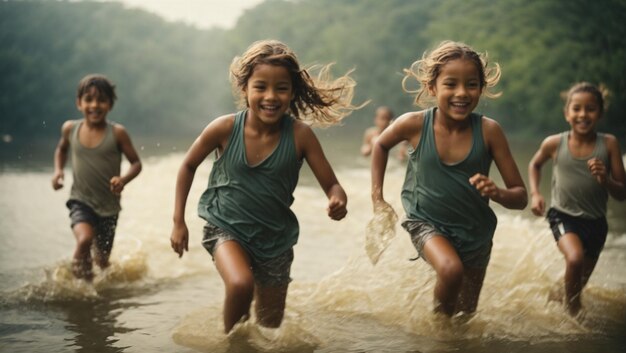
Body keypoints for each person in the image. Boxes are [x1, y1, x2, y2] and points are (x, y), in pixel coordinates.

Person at [170, 39, 362, 333]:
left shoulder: (301, 136)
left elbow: (333, 185)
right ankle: (232, 344)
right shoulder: (224, 128)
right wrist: (178, 221)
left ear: (292, 92)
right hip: (225, 227)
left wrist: (339, 201)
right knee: (240, 284)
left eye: (281, 88)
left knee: (270, 327)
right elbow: (187, 165)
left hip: (275, 242)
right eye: (260, 87)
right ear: (244, 89)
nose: (270, 96)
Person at [370, 41, 527, 316]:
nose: (462, 93)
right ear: (432, 88)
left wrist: (497, 192)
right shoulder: (415, 124)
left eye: (471, 85)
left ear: (481, 88)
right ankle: (437, 335)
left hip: (476, 233)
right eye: (451, 84)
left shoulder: (490, 132)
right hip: (426, 223)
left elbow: (520, 196)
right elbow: (380, 145)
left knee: (466, 316)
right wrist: (377, 199)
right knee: (451, 270)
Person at [528, 82, 626, 315]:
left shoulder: (609, 144)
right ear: (567, 113)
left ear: (600, 113)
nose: (583, 114)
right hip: (563, 215)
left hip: (596, 223)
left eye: (590, 109)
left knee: (578, 282)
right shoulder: (554, 143)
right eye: (577, 108)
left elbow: (622, 193)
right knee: (574, 259)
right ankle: (572, 317)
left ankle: (556, 296)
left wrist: (606, 180)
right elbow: (534, 164)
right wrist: (536, 193)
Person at [52, 74, 142, 281]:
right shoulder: (70, 129)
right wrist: (58, 171)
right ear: (79, 103)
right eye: (89, 100)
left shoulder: (118, 133)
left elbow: (136, 163)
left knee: (102, 262)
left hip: (109, 207)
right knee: (84, 239)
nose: (95, 105)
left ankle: (94, 293)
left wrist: (123, 179)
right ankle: (79, 288)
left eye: (102, 100)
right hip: (81, 201)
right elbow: (61, 150)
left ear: (110, 104)